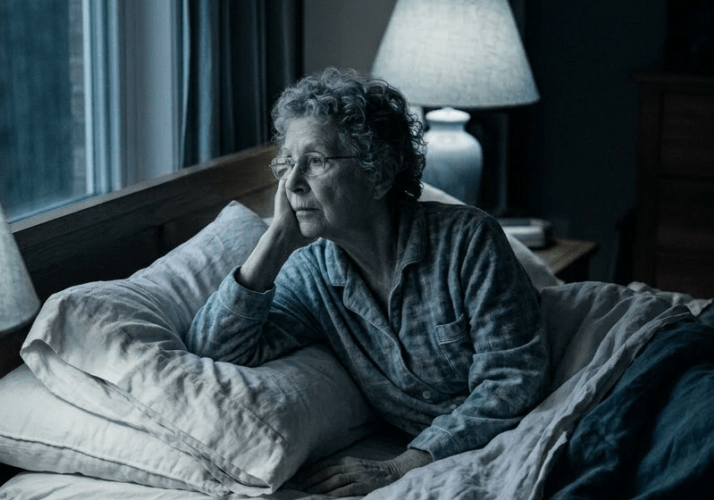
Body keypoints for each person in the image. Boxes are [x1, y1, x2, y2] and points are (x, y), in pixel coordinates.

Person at [187, 68, 549, 496]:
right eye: (287, 163)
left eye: (316, 161)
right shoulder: (312, 275)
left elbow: (514, 378)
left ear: (378, 173)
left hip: (547, 425)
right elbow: (213, 349)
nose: (293, 183)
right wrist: (275, 240)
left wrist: (406, 465)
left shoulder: (467, 240)